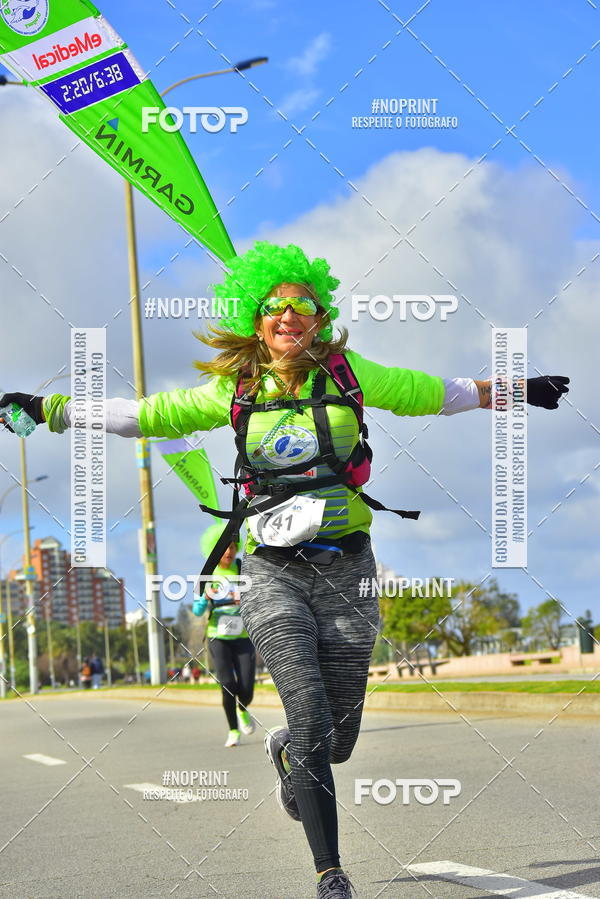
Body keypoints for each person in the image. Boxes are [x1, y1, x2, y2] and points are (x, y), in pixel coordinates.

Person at [0, 240, 569, 898]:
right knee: (308, 714)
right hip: (271, 572)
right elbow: (146, 416)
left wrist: (519, 390)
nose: (288, 316)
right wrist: (50, 409)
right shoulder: (237, 388)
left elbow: (439, 394)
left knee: (337, 739)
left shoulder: (351, 374)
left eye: (302, 306)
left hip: (348, 566)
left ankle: (289, 754)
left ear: (321, 319)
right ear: (255, 318)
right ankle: (330, 872)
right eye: (274, 307)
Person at [193, 524, 256, 747]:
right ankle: (233, 730)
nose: (229, 552)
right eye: (225, 548)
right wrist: (206, 598)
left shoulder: (242, 568)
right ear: (215, 549)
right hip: (218, 637)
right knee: (228, 684)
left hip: (243, 636)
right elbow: (197, 610)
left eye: (233, 547)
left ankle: (243, 709)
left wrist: (245, 599)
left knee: (246, 688)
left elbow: (256, 597)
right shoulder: (207, 573)